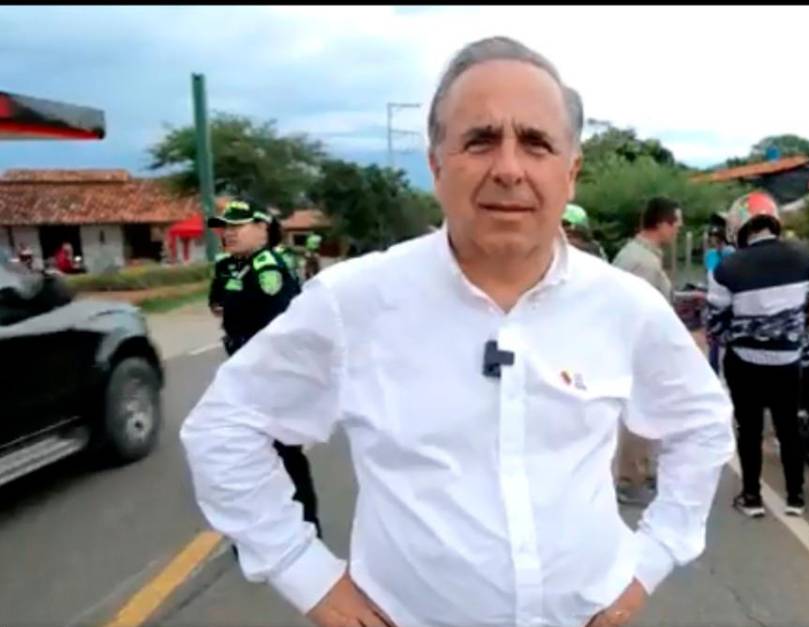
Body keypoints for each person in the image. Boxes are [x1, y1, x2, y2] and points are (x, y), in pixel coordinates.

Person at [181, 36, 734, 627]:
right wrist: (306, 574)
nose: (509, 169)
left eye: (536, 143)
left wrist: (647, 563)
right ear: (436, 166)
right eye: (480, 140)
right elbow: (223, 429)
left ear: (570, 173)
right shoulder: (354, 302)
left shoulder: (626, 306)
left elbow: (701, 423)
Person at [202, 198, 322, 545]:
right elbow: (217, 305)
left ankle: (306, 531)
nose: (228, 233)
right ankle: (261, 534)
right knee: (247, 454)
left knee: (284, 453)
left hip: (271, 373)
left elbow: (283, 328)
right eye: (225, 227)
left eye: (237, 226)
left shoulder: (269, 268)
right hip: (241, 367)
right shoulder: (230, 266)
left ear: (261, 228)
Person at [706, 190, 809, 518]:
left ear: (740, 225)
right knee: (789, 428)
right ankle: (795, 497)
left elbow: (716, 323)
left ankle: (752, 497)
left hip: (745, 363)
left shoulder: (726, 268)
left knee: (749, 429)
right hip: (788, 361)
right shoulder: (805, 258)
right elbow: (807, 307)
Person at [610, 197, 683, 507]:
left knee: (644, 414)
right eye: (676, 225)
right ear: (663, 224)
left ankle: (640, 472)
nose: (678, 231)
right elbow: (638, 312)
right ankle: (630, 479)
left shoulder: (640, 255)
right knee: (638, 417)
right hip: (638, 350)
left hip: (638, 348)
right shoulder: (642, 262)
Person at [702, 228, 734, 374]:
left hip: (728, 304)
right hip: (713, 303)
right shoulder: (710, 255)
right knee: (713, 342)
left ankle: (726, 372)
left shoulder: (730, 253)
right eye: (711, 237)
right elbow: (709, 278)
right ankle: (713, 372)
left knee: (727, 343)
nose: (712, 240)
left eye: (715, 237)